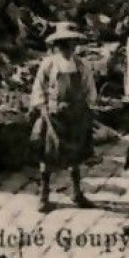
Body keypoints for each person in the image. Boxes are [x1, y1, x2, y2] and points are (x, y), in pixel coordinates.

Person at [30, 23, 98, 212]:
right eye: (62, 45)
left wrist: (89, 107)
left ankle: (77, 193)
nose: (67, 49)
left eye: (70, 44)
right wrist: (42, 107)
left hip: (75, 115)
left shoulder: (82, 65)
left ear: (75, 45)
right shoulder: (48, 64)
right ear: (56, 46)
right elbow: (38, 88)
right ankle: (44, 195)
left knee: (75, 155)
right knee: (48, 154)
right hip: (53, 116)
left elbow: (89, 89)